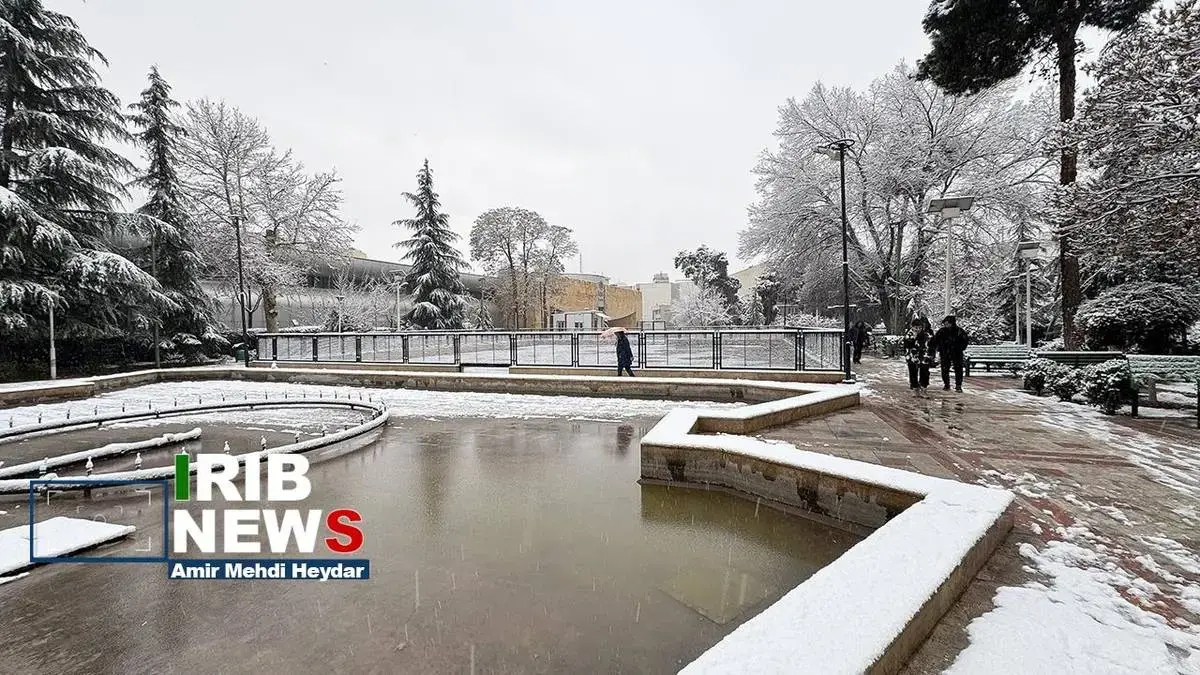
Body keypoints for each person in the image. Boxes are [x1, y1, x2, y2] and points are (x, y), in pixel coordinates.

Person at [931, 315, 970, 392]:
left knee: (958, 369)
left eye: (947, 323)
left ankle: (958, 385)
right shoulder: (942, 331)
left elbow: (965, 341)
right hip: (945, 352)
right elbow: (935, 340)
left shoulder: (959, 331)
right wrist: (934, 347)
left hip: (956, 352)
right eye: (945, 323)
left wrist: (959, 348)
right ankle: (946, 384)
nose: (946, 325)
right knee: (945, 369)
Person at [903, 317, 933, 397]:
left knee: (925, 373)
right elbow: (907, 345)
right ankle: (915, 388)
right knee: (913, 373)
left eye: (920, 327)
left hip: (924, 356)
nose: (918, 329)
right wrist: (913, 338)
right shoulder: (909, 335)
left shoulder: (926, 334)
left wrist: (930, 354)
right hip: (912, 356)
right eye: (916, 327)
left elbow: (930, 344)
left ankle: (924, 388)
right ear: (912, 327)